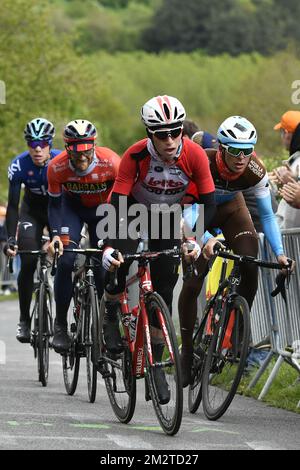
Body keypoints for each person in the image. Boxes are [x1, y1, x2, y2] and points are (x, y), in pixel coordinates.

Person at [101, 95, 216, 404]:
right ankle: (111, 308)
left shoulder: (194, 154)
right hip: (133, 211)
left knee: (164, 288)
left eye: (175, 131)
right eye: (161, 133)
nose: (169, 140)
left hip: (166, 217)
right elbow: (118, 200)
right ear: (149, 133)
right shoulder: (135, 155)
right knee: (119, 262)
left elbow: (208, 202)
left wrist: (193, 238)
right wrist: (111, 245)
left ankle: (155, 368)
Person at [178, 115, 293, 387]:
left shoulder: (254, 169)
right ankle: (186, 351)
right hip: (199, 214)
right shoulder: (201, 162)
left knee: (250, 261)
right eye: (235, 151)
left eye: (247, 150)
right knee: (193, 281)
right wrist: (205, 239)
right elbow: (188, 212)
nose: (242, 158)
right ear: (221, 149)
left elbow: (266, 215)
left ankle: (238, 331)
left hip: (232, 212)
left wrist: (279, 253)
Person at [47, 119, 121, 353]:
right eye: (76, 153)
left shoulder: (111, 162)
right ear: (67, 148)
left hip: (103, 212)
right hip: (72, 211)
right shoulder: (56, 167)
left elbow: (122, 199)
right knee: (66, 259)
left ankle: (108, 325)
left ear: (94, 146)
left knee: (104, 267)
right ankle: (60, 325)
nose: (81, 159)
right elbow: (54, 205)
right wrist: (56, 235)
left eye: (86, 152)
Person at [3, 118, 61, 342]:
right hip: (32, 212)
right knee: (27, 260)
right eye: (32, 143)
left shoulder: (61, 161)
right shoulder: (19, 165)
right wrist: (10, 239)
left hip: (58, 209)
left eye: (43, 143)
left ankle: (65, 321)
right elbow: (12, 206)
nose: (37, 149)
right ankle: (24, 319)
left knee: (68, 257)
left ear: (50, 143)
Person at [269, 111, 300, 221]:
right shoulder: (293, 162)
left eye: (282, 132)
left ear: (287, 133)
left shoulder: (297, 161)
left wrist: (291, 180)